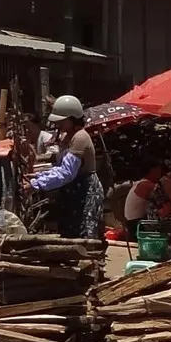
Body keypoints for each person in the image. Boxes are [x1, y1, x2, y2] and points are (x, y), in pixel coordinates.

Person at [27, 94, 103, 239]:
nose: (58, 124)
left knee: (85, 235)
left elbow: (67, 172)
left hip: (85, 191)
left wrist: (36, 184)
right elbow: (60, 167)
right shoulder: (68, 136)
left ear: (72, 119)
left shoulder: (80, 138)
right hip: (73, 191)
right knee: (70, 233)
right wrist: (40, 175)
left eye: (61, 121)